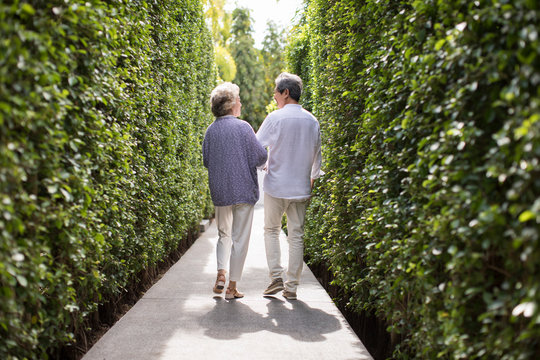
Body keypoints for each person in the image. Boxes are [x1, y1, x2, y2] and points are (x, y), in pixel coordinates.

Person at [256, 72, 322, 300]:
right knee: (296, 236)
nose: (274, 95)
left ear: (285, 93)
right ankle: (291, 288)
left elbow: (256, 148)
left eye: (276, 91)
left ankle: (276, 276)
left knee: (271, 230)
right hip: (300, 188)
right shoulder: (312, 120)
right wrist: (310, 183)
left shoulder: (275, 118)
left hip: (276, 186)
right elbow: (317, 157)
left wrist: (264, 164)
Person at [203, 82, 267, 300]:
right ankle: (231, 287)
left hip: (221, 192)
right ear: (231, 104)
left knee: (223, 235)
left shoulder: (210, 131)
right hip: (243, 191)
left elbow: (206, 160)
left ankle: (221, 273)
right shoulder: (244, 127)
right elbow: (260, 156)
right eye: (238, 100)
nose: (240, 103)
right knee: (240, 239)